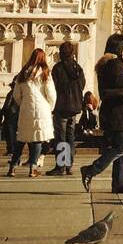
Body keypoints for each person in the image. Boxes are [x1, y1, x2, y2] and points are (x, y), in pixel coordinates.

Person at [80, 35, 123, 195]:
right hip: (118, 112)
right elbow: (121, 81)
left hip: (112, 111)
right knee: (120, 147)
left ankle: (118, 182)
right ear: (119, 48)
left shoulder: (105, 63)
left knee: (120, 148)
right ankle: (91, 169)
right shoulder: (115, 64)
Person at [9, 47, 56, 177]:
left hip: (26, 109)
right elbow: (51, 93)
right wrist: (50, 107)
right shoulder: (45, 72)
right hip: (42, 110)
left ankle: (12, 167)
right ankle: (33, 168)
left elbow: (16, 94)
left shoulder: (22, 73)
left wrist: (23, 103)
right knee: (38, 139)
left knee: (21, 139)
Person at [51, 42, 86, 175]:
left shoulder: (58, 68)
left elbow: (53, 87)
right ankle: (69, 165)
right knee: (70, 136)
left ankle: (61, 166)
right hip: (75, 107)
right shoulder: (78, 68)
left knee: (61, 137)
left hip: (61, 106)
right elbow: (82, 84)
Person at [1, 82, 19, 156]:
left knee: (9, 133)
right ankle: (14, 149)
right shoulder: (19, 94)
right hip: (17, 115)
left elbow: (7, 105)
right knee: (14, 133)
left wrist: (2, 112)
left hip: (10, 115)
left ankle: (11, 150)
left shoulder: (11, 93)